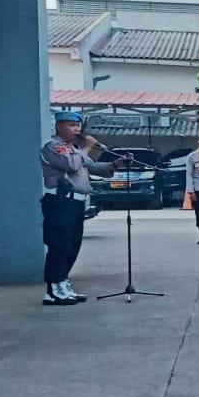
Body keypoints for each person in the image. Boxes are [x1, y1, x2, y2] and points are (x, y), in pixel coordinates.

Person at [39, 111, 128, 305]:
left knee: (72, 246)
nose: (76, 129)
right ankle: (53, 290)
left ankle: (63, 283)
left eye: (78, 126)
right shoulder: (53, 146)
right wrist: (87, 147)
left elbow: (94, 167)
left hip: (76, 204)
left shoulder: (75, 149)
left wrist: (117, 163)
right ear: (59, 126)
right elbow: (70, 165)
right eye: (71, 125)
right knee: (59, 246)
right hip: (60, 203)